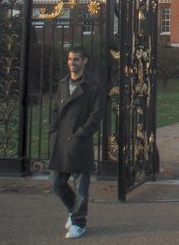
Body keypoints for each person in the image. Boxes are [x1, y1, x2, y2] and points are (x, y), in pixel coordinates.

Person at [49, 46, 105, 239]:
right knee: (56, 182)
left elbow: (96, 114)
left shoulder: (93, 86)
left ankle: (79, 223)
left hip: (79, 141)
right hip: (61, 141)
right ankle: (74, 212)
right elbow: (56, 109)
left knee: (81, 187)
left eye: (76, 59)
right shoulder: (63, 83)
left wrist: (82, 132)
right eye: (70, 59)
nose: (72, 62)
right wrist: (53, 130)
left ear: (85, 61)